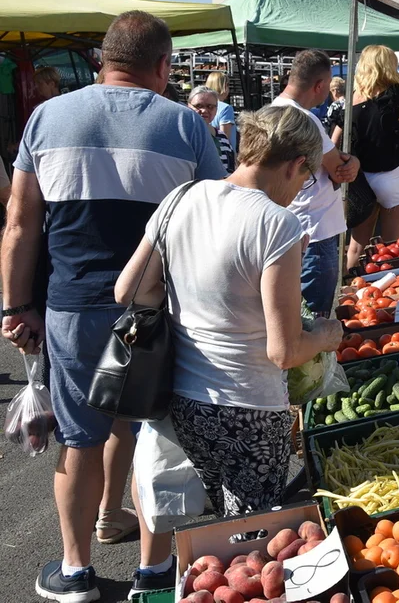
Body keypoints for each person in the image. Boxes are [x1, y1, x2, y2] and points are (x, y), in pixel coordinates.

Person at [2, 11, 226, 601]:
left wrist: (13, 307)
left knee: (79, 438)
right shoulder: (185, 126)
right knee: (156, 432)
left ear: (102, 58)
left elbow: (21, 225)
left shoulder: (47, 118)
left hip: (71, 307)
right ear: (161, 65)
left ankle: (75, 570)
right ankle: (153, 572)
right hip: (160, 309)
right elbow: (212, 223)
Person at [116, 104, 343, 582]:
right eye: (305, 180)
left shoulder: (181, 197)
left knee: (224, 529)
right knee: (255, 549)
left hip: (184, 398)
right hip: (249, 408)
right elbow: (284, 351)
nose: (300, 190)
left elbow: (129, 291)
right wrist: (326, 335)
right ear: (296, 164)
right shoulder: (275, 224)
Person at [274, 50, 360, 313]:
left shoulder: (270, 111)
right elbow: (338, 170)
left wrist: (344, 160)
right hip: (316, 228)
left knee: (294, 310)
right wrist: (352, 161)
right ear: (320, 85)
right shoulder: (305, 119)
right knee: (313, 315)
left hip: (287, 226)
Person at [335, 45, 399, 268]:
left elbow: (334, 143)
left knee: (355, 246)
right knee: (392, 246)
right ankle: (383, 296)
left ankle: (349, 289)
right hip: (391, 177)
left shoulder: (351, 100)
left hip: (358, 179)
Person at [205, 71, 236, 150]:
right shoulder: (226, 109)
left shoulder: (203, 107)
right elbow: (225, 138)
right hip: (223, 153)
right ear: (223, 86)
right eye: (228, 85)